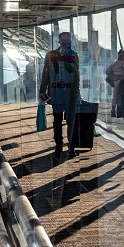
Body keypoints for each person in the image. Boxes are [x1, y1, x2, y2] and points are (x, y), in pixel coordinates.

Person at [39, 30, 80, 158]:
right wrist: (42, 90)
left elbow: (76, 75)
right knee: (57, 121)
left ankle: (71, 146)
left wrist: (77, 92)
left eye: (69, 40)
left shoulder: (74, 55)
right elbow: (45, 74)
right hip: (56, 93)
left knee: (70, 121)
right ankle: (58, 145)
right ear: (60, 41)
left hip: (69, 94)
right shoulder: (51, 55)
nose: (67, 42)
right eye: (65, 40)